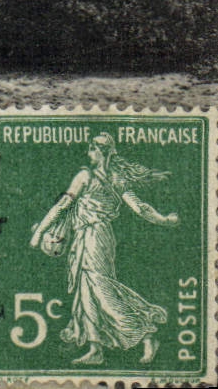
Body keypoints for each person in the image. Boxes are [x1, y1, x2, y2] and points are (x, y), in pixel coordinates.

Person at [28, 133, 178, 365]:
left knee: (101, 289)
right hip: (88, 236)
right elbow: (141, 208)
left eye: (91, 149)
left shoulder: (85, 176)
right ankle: (95, 348)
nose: (88, 154)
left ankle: (147, 334)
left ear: (99, 151)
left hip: (95, 237)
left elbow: (62, 205)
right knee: (86, 291)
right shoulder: (116, 178)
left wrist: (39, 233)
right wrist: (164, 220)